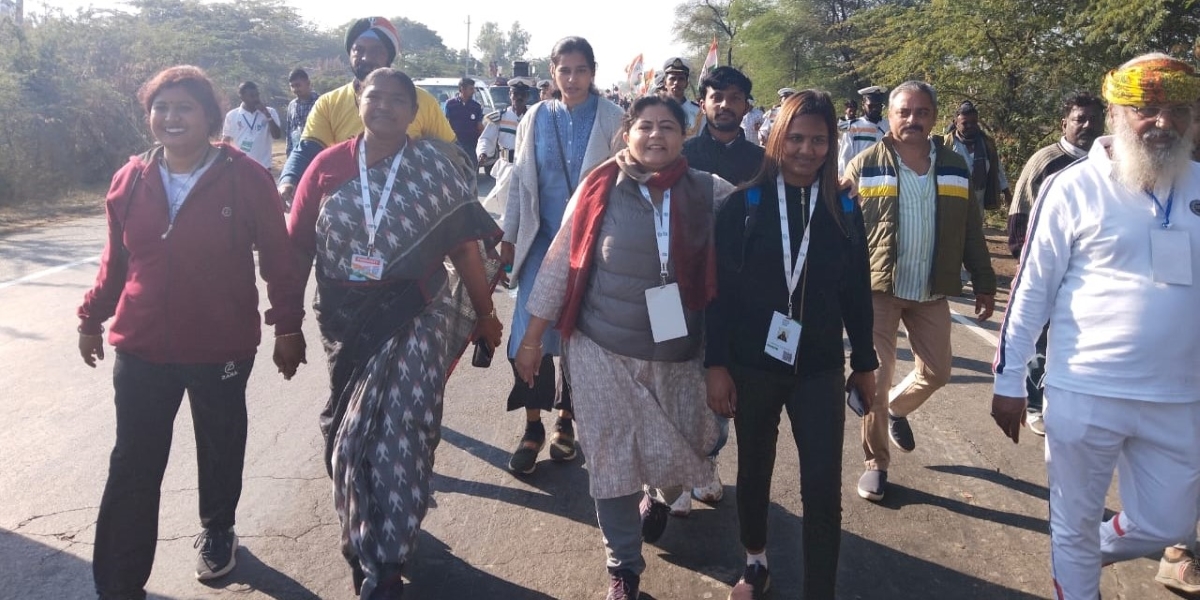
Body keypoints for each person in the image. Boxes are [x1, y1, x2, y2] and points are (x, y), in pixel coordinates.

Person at [78, 65, 306, 600]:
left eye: (185, 107)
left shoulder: (245, 177)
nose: (171, 117)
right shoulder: (130, 179)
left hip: (219, 345)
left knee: (220, 443)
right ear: (149, 116)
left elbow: (279, 258)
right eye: (162, 107)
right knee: (133, 458)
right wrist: (92, 316)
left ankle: (218, 529)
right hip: (141, 346)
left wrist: (287, 328)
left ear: (210, 116)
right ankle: (118, 581)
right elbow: (116, 261)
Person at [287, 67, 504, 600]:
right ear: (358, 103)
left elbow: (463, 247)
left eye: (396, 100)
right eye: (372, 97)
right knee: (347, 438)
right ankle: (363, 536)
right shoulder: (327, 165)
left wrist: (485, 312)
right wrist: (285, 326)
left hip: (416, 314)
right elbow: (295, 250)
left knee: (405, 430)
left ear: (414, 113)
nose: (383, 106)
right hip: (345, 318)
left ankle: (386, 561)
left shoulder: (433, 165)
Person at [991, 53, 1200, 600]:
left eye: (1178, 109)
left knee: (1170, 526)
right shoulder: (1073, 187)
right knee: (1074, 523)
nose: (1163, 121)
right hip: (1084, 388)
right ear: (1115, 112)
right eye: (1146, 108)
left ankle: (1078, 549)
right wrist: (1009, 380)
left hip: (1180, 397)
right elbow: (1031, 289)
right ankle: (1075, 563)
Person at [514, 96, 731, 600]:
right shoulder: (597, 188)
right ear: (627, 133)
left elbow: (762, 205)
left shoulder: (706, 189)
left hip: (679, 353)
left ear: (683, 135)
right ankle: (624, 568)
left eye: (669, 127)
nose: (656, 136)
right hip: (600, 351)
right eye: (646, 126)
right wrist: (530, 339)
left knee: (693, 444)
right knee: (611, 461)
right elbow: (557, 267)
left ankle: (661, 494)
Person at [707, 89, 878, 600]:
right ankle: (755, 560)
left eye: (819, 140)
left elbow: (856, 290)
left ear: (832, 143)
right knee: (755, 467)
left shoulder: (845, 206)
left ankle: (819, 589)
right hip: (752, 365)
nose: (807, 150)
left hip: (820, 367)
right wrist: (716, 365)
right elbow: (718, 295)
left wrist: (864, 362)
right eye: (797, 138)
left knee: (822, 486)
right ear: (778, 138)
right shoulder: (744, 203)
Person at [844, 80, 996, 502]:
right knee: (874, 377)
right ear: (890, 116)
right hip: (878, 291)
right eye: (904, 112)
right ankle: (876, 462)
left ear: (934, 116)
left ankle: (897, 408)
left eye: (922, 112)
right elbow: (840, 230)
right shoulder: (864, 165)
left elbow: (970, 230)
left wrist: (984, 282)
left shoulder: (953, 166)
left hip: (932, 289)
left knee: (938, 371)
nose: (913, 120)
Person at [499, 36, 625, 474]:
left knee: (575, 336)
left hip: (591, 248)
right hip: (540, 244)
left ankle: (565, 422)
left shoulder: (613, 118)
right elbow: (520, 180)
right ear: (552, 72)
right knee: (525, 338)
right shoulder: (534, 116)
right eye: (564, 70)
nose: (572, 79)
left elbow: (622, 185)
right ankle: (532, 426)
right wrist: (509, 237)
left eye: (581, 70)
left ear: (593, 71)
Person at [675, 65, 763, 516]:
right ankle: (676, 474)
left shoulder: (763, 162)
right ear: (703, 102)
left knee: (721, 383)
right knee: (676, 375)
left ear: (746, 105)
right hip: (679, 287)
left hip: (737, 293)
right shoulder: (681, 154)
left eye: (734, 97)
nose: (725, 105)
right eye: (716, 96)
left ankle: (705, 464)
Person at [1005, 92, 1105, 436]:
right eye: (1080, 119)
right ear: (1065, 123)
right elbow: (1019, 212)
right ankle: (1034, 404)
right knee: (1041, 338)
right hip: (1048, 266)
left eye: (1095, 119)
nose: (1088, 126)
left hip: (1091, 276)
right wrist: (1024, 259)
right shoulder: (1046, 161)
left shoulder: (1112, 164)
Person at [277, 17, 455, 207]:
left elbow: (451, 154)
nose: (366, 57)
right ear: (349, 54)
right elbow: (308, 149)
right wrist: (289, 179)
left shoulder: (422, 101)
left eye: (376, 50)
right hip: (347, 212)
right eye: (358, 50)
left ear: (389, 56)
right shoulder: (328, 103)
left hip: (410, 210)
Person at [477, 77, 534, 219]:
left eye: (522, 95)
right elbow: (486, 138)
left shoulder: (534, 117)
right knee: (506, 209)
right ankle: (507, 238)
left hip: (527, 168)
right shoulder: (500, 117)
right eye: (515, 94)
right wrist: (483, 152)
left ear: (527, 97)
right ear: (510, 95)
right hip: (505, 167)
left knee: (526, 210)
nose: (518, 98)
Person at [943, 100, 1011, 210]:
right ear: (956, 123)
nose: (970, 126)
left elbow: (997, 170)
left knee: (975, 226)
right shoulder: (946, 144)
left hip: (978, 202)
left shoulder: (987, 144)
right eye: (965, 123)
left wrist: (1008, 195)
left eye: (974, 122)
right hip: (952, 201)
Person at [221, 81, 282, 171]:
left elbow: (277, 136)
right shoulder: (232, 115)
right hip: (241, 166)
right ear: (242, 97)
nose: (256, 99)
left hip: (263, 166)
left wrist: (267, 115)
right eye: (251, 96)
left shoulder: (270, 112)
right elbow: (226, 141)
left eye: (257, 95)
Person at [837, 85, 890, 174]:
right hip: (860, 178)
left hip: (885, 179)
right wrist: (843, 179)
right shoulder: (852, 127)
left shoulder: (889, 125)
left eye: (878, 106)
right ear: (863, 105)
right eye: (871, 106)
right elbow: (845, 157)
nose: (875, 109)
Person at [445, 76, 484, 167]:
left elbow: (479, 126)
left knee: (472, 171)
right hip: (455, 144)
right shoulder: (450, 104)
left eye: (473, 89)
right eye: (471, 89)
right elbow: (446, 123)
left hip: (471, 145)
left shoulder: (476, 106)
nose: (473, 91)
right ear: (462, 89)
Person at [284, 68, 319, 162]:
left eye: (298, 85)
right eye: (292, 86)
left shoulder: (320, 102)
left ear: (308, 83)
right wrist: (289, 154)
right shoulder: (291, 105)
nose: (295, 89)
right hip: (297, 154)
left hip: (316, 154)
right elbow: (289, 131)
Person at [662, 57, 701, 133]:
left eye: (681, 79)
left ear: (686, 83)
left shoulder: (698, 112)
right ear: (665, 83)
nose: (676, 83)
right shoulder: (656, 110)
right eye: (672, 79)